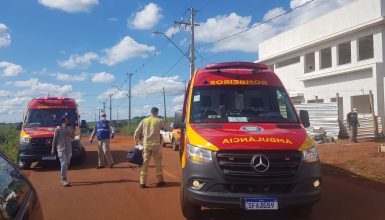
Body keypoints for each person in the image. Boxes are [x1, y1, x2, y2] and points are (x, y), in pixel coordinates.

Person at [134, 107, 173, 188]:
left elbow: (137, 132)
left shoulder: (144, 120)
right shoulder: (159, 120)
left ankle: (142, 183)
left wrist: (137, 142)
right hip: (156, 146)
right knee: (158, 163)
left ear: (150, 112)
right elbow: (168, 128)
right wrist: (176, 129)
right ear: (157, 112)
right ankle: (160, 181)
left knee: (145, 164)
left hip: (146, 146)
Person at [51, 116, 75, 187]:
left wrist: (70, 134)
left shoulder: (70, 128)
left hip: (68, 149)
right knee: (64, 163)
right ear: (63, 121)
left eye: (68, 120)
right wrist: (53, 148)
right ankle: (63, 179)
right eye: (66, 120)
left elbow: (73, 136)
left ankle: (64, 176)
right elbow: (54, 139)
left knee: (67, 163)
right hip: (60, 148)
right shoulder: (58, 129)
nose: (67, 121)